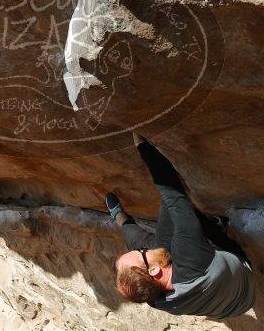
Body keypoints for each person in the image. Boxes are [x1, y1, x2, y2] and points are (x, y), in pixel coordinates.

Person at [107, 133, 254, 319]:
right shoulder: (190, 256)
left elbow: (140, 245)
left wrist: (126, 227)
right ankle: (217, 226)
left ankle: (121, 219)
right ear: (153, 270)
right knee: (177, 214)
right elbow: (172, 194)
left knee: (146, 240)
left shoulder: (150, 295)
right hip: (243, 277)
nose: (143, 249)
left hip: (225, 306)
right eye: (142, 252)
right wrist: (142, 146)